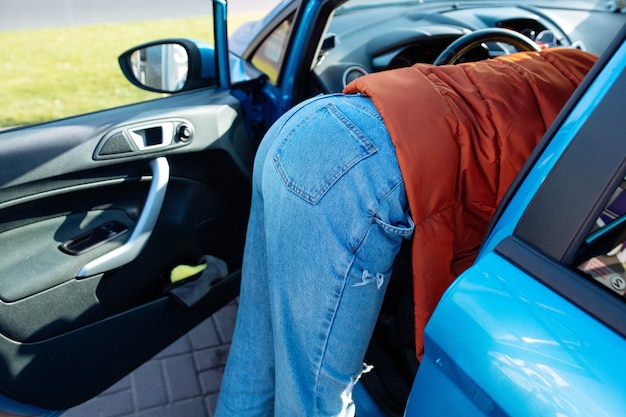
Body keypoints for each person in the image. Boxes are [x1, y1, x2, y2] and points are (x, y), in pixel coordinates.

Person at [214, 48, 597, 417]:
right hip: (356, 174)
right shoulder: (608, 109)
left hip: (312, 120)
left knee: (254, 346)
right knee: (314, 398)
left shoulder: (570, 62)